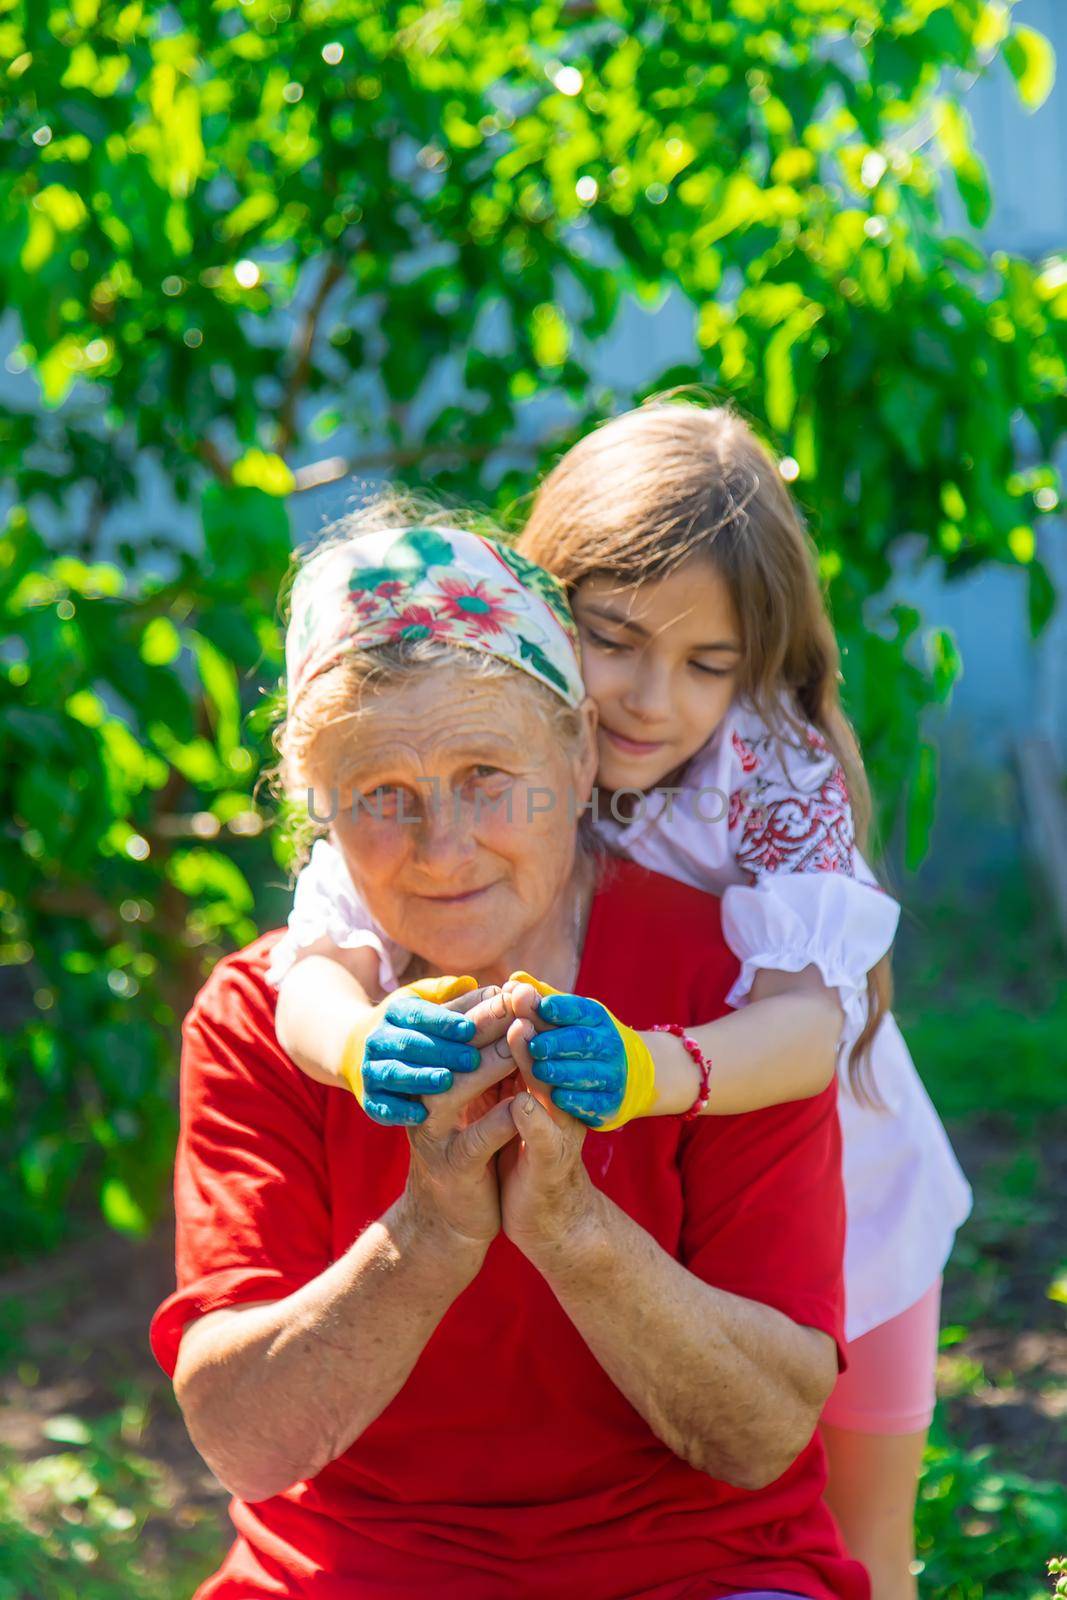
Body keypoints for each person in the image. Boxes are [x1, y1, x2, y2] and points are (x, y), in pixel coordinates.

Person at [270, 406, 972, 1600]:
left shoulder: (769, 762)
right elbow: (314, 958)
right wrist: (361, 1046)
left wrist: (648, 1070)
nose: (652, 700)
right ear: (543, 604)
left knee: (865, 1545)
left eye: (710, 664)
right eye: (613, 639)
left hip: (846, 1160)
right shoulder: (475, 726)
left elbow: (808, 1029)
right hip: (669, 1166)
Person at [152, 514, 869, 1600]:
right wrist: (431, 1231)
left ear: (578, 755)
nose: (442, 850)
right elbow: (245, 1444)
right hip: (352, 1573)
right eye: (381, 796)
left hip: (688, 1571)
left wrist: (571, 1227)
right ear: (319, 809)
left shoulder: (724, 992)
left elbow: (760, 1433)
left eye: (487, 774)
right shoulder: (266, 1015)